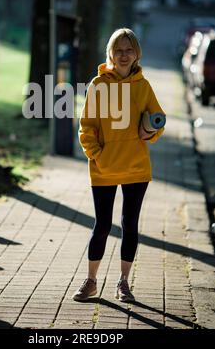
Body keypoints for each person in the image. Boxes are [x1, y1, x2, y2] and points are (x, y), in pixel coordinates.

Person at [73, 28, 165, 303]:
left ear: (136, 53)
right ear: (110, 54)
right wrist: (97, 155)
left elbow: (157, 118)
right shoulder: (98, 85)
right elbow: (86, 126)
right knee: (102, 225)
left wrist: (152, 131)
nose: (124, 55)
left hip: (137, 167)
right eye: (119, 50)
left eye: (129, 50)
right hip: (104, 167)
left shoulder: (143, 86)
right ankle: (90, 281)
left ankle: (124, 283)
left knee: (130, 225)